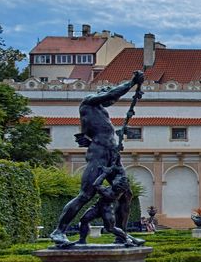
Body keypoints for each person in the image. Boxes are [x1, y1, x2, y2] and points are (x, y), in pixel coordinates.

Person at [50, 70, 145, 247]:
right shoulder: (89, 102)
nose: (111, 102)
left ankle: (121, 235)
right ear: (102, 94)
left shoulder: (103, 112)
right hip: (99, 154)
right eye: (109, 99)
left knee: (126, 194)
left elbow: (111, 101)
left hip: (112, 155)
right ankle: (59, 231)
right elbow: (112, 93)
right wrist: (132, 83)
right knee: (85, 194)